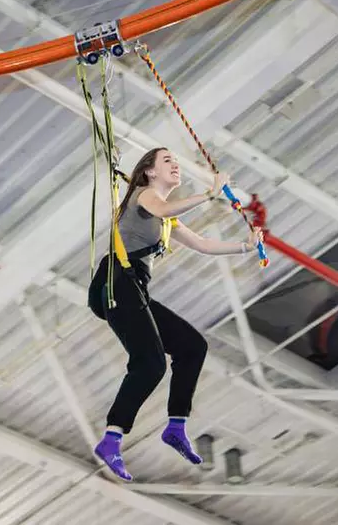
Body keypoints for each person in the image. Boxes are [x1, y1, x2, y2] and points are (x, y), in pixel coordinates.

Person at [87, 147, 263, 481]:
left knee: (192, 347)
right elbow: (164, 207)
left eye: (176, 162)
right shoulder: (144, 195)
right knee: (150, 364)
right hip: (117, 283)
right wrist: (209, 193)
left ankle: (176, 425)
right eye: (168, 161)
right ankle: (112, 438)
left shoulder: (166, 218)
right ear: (150, 171)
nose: (176, 166)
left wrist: (246, 246)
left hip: (134, 287)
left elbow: (203, 245)